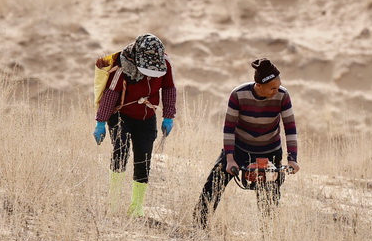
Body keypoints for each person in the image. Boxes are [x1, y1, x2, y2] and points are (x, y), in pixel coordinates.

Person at [196, 57, 299, 227]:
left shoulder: (283, 95)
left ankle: (270, 238)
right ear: (259, 86)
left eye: (278, 86)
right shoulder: (238, 94)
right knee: (213, 185)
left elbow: (290, 128)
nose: (277, 90)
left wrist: (292, 158)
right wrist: (229, 159)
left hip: (270, 152)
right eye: (272, 88)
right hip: (239, 149)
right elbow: (229, 128)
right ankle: (198, 227)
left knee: (270, 199)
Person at [92, 33, 177, 218]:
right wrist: (100, 122)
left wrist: (168, 116)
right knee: (120, 153)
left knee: (143, 160)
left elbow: (169, 88)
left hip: (147, 118)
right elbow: (110, 94)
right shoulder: (122, 66)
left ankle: (136, 207)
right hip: (121, 116)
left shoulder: (165, 63)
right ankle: (113, 204)